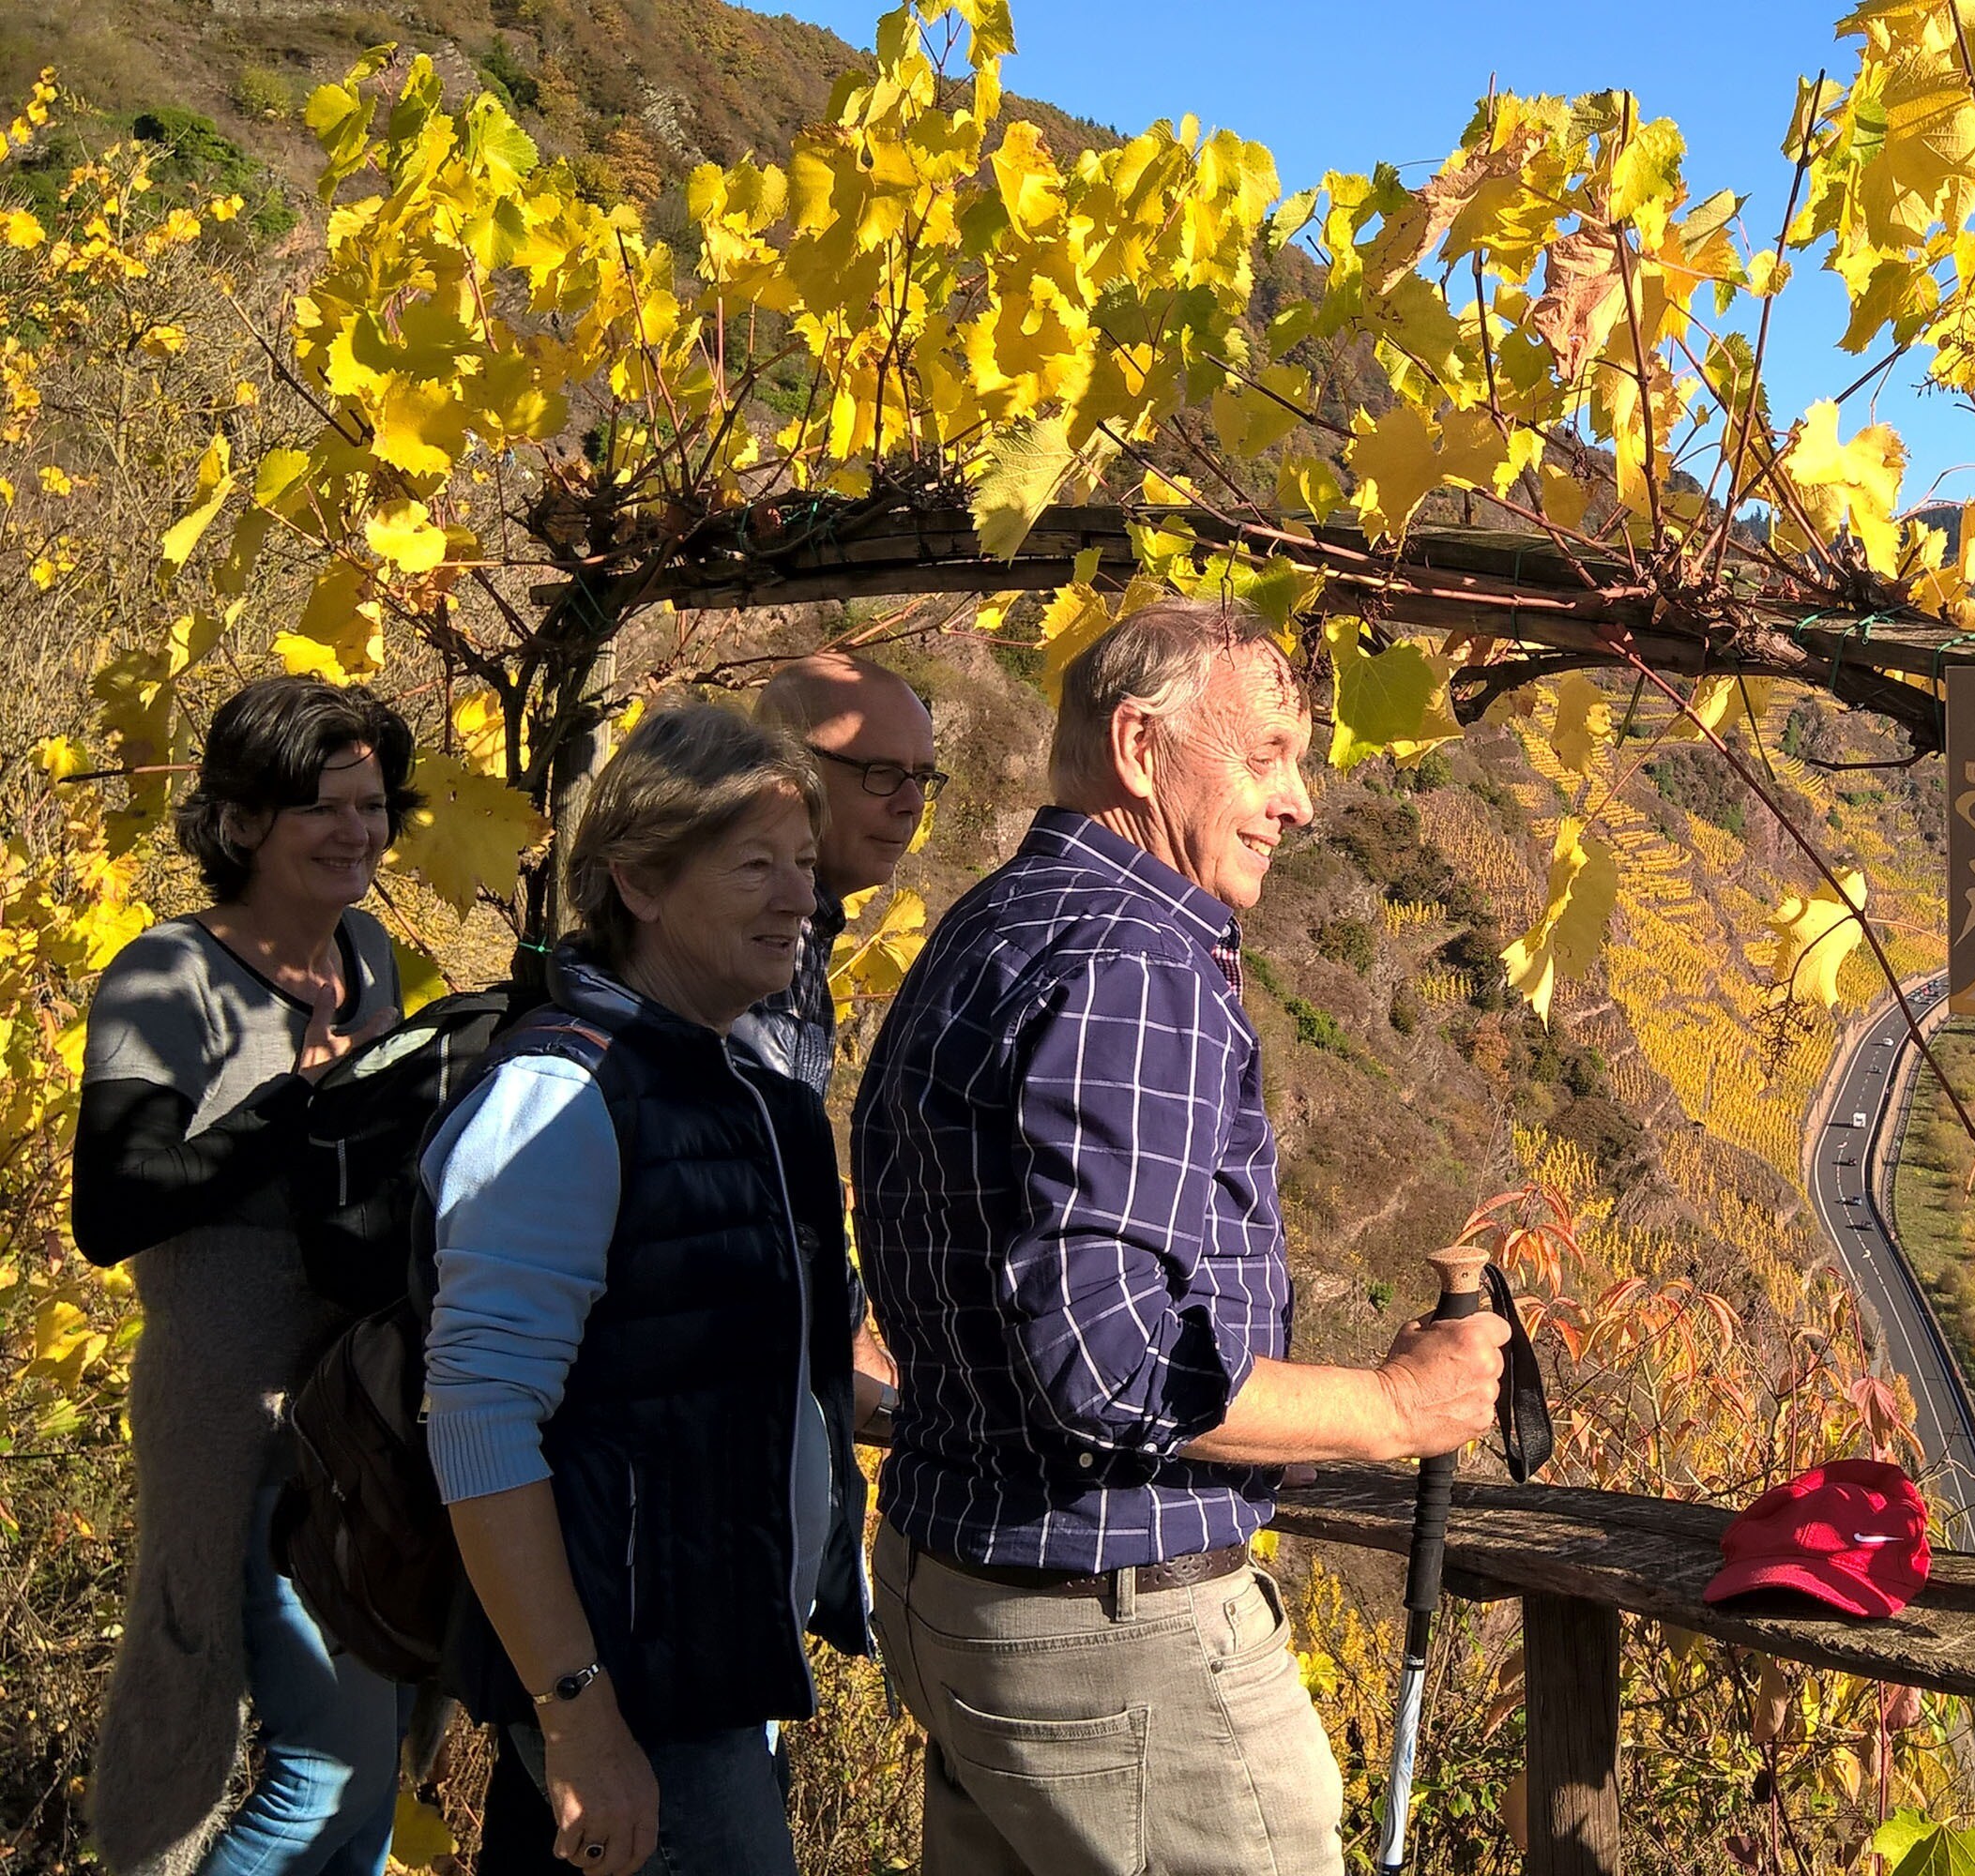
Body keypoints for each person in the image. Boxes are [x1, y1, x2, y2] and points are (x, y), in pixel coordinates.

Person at [850, 598, 1511, 1876]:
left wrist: (1298, 1408)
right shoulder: (1133, 963)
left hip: (967, 1596)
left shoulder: (987, 926)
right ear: (1143, 749)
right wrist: (1393, 1407)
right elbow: (1112, 1366)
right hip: (1113, 1648)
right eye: (1264, 754)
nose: (1299, 801)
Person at [418, 703, 871, 1875]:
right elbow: (477, 1418)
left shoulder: (747, 1094)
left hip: (710, 1663)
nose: (799, 900)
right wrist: (577, 1711)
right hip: (637, 1688)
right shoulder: (560, 1102)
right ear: (639, 881)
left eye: (807, 867)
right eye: (755, 865)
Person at [75, 675, 419, 1875]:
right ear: (237, 822)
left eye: (372, 803)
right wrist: (300, 1099)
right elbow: (109, 1208)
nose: (356, 832)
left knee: (359, 1765)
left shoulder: (368, 952)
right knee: (318, 1771)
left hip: (356, 1414)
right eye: (319, 805)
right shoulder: (164, 978)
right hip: (235, 1420)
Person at [733, 647, 943, 1092]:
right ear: (785, 769)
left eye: (923, 778)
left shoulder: (806, 930)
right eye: (882, 772)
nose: (913, 804)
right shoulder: (738, 941)